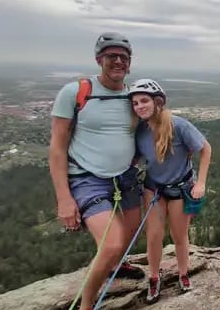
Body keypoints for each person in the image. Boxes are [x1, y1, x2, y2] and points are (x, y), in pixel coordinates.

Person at [49, 32, 145, 310]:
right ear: (98, 59)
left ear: (129, 63)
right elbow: (57, 147)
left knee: (128, 236)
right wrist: (64, 199)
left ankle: (116, 266)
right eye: (111, 56)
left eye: (123, 58)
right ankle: (87, 304)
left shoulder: (133, 96)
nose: (117, 61)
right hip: (86, 178)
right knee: (112, 243)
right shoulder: (76, 92)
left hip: (125, 176)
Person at [128, 78, 212, 304]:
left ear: (158, 102)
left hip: (179, 188)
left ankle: (183, 273)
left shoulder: (179, 125)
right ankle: (154, 276)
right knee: (154, 236)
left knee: (179, 236)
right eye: (135, 103)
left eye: (144, 101)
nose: (139, 106)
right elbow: (137, 158)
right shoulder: (141, 131)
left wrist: (200, 183)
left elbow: (205, 149)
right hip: (154, 188)